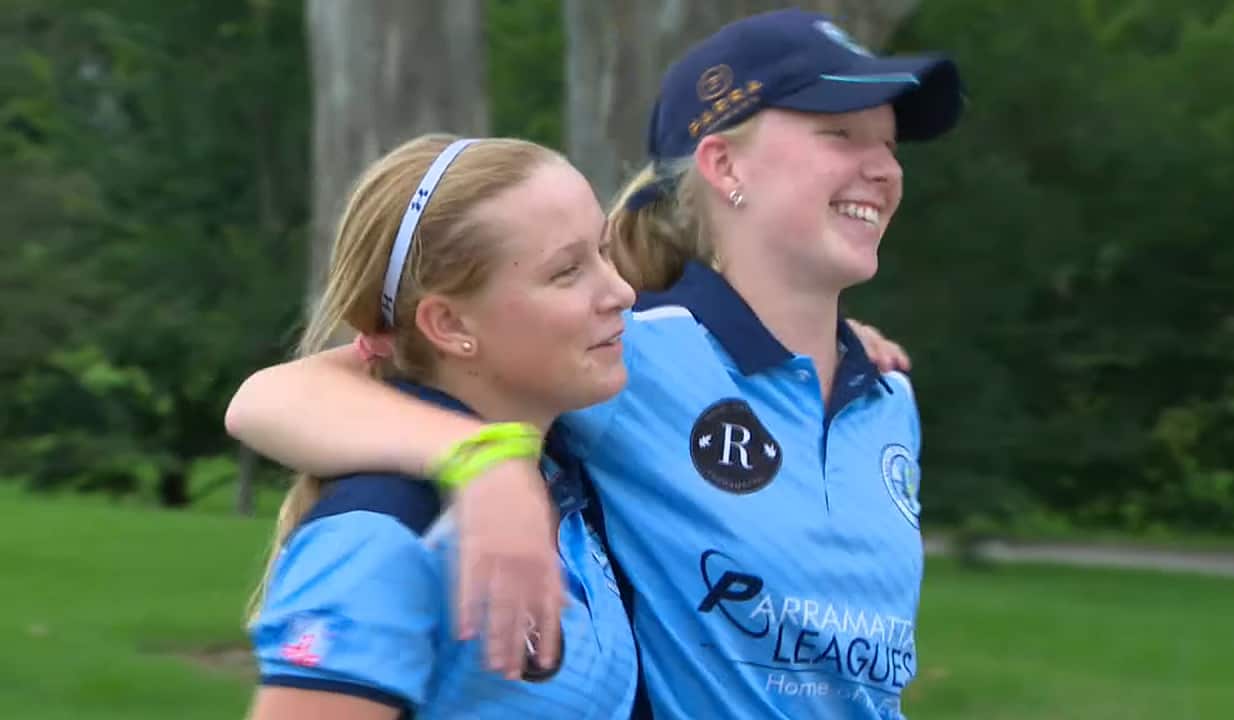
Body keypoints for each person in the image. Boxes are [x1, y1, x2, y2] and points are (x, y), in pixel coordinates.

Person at [227, 9, 964, 719]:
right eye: (839, 133)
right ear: (723, 162)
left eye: (890, 145)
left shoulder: (887, 396)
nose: (883, 169)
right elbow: (281, 395)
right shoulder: (621, 352)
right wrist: (484, 462)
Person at [243, 133, 640, 720]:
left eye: (604, 252)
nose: (622, 292)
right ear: (450, 323)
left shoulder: (563, 470)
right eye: (567, 272)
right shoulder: (384, 532)